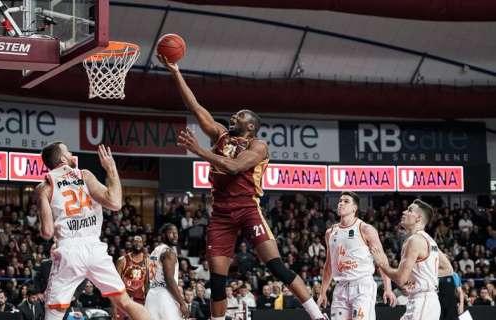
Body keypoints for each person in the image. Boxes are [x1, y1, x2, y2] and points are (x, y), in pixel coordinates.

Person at [159, 55, 326, 320]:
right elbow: (195, 107)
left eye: (240, 116)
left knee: (276, 266)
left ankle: (318, 315)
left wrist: (199, 151)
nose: (233, 116)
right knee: (216, 281)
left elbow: (234, 167)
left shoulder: (257, 146)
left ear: (251, 126)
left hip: (248, 208)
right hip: (222, 214)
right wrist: (175, 71)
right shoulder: (220, 134)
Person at [34, 142, 149, 320]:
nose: (72, 154)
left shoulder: (44, 187)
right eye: (69, 151)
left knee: (53, 314)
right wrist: (111, 169)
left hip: (68, 251)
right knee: (126, 302)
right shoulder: (85, 175)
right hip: (94, 248)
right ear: (63, 158)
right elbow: (116, 203)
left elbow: (47, 232)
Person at [318, 191, 397, 320]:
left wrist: (388, 288)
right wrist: (322, 292)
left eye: (346, 201)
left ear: (354, 208)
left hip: (362, 285)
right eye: (340, 201)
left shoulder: (365, 229)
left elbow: (382, 260)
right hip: (340, 287)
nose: (341, 204)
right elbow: (329, 264)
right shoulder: (330, 232)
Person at [371, 199, 441, 320]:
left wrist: (381, 264)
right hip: (423, 299)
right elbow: (445, 268)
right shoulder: (428, 239)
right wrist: (415, 281)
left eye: (409, 210)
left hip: (423, 302)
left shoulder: (415, 240)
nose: (404, 212)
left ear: (418, 218)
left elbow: (400, 278)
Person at [145, 223, 189, 320]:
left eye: (176, 232)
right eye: (171, 233)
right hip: (165, 295)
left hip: (151, 296)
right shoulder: (168, 252)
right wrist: (182, 303)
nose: (175, 235)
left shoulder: (153, 252)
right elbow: (169, 280)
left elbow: (148, 278)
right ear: (163, 235)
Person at [116, 235, 149, 305]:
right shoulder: (122, 260)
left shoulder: (147, 261)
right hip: (125, 299)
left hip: (141, 300)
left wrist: (147, 299)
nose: (138, 243)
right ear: (131, 243)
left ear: (143, 244)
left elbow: (147, 282)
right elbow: (116, 283)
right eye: (135, 241)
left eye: (140, 242)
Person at [438, 251, 465, 319]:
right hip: (438, 304)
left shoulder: (454, 275)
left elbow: (460, 292)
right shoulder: (434, 274)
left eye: (446, 258)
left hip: (451, 305)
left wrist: (461, 305)